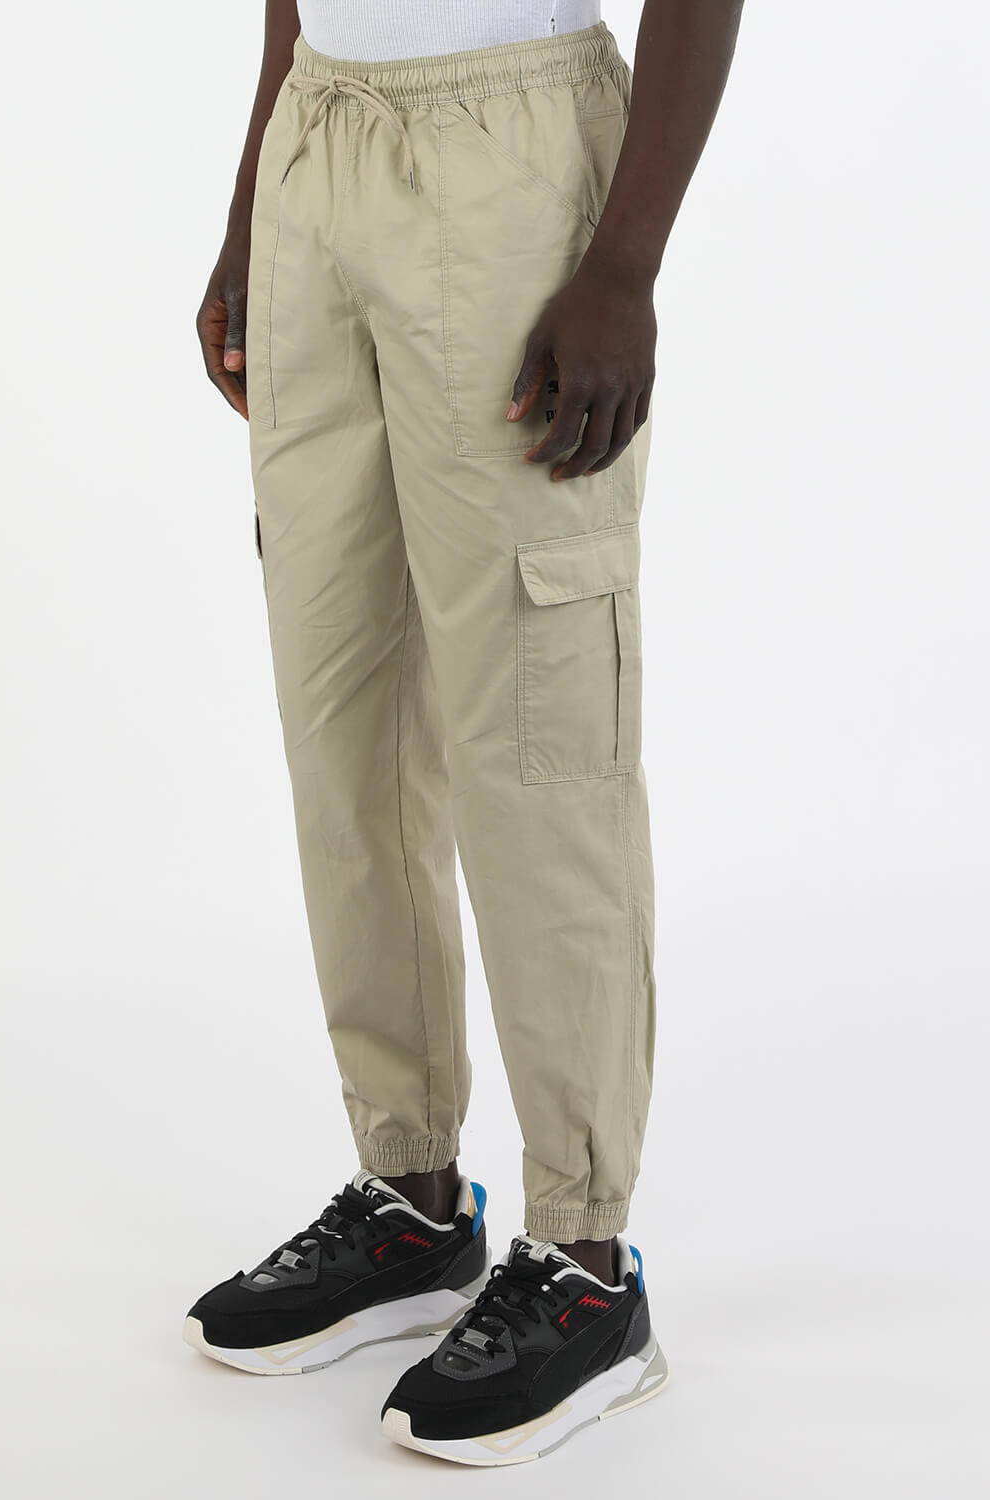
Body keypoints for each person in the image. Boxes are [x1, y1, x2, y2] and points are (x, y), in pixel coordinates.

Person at [187, 0, 742, 1465]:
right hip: (318, 140)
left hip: (516, 162)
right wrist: (254, 204)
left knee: (538, 738)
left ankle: (587, 1264)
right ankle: (410, 1201)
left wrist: (623, 265)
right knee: (342, 722)